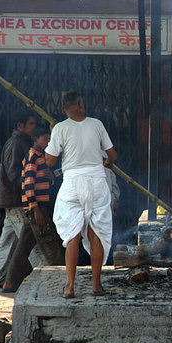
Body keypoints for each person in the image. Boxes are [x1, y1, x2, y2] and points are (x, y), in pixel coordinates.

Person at [45, 91, 117, 298]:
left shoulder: (60, 128)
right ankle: (96, 285)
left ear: (63, 110)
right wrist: (108, 163)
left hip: (72, 185)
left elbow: (50, 161)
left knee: (72, 236)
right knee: (96, 234)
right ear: (79, 104)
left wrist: (54, 136)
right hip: (96, 182)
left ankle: (69, 287)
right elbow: (112, 155)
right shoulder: (97, 124)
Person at [1, 127, 65, 293]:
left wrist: (51, 176)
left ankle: (10, 282)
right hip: (37, 208)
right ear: (36, 139)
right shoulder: (33, 156)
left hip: (37, 207)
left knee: (23, 247)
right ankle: (62, 280)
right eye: (45, 139)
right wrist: (35, 208)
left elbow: (41, 179)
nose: (48, 143)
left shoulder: (41, 158)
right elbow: (27, 184)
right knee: (51, 246)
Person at [0, 111, 49, 288]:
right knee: (32, 240)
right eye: (30, 124)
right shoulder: (16, 144)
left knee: (8, 243)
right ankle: (47, 275)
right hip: (16, 200)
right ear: (20, 126)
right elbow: (14, 174)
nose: (33, 126)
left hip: (13, 200)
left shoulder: (22, 143)